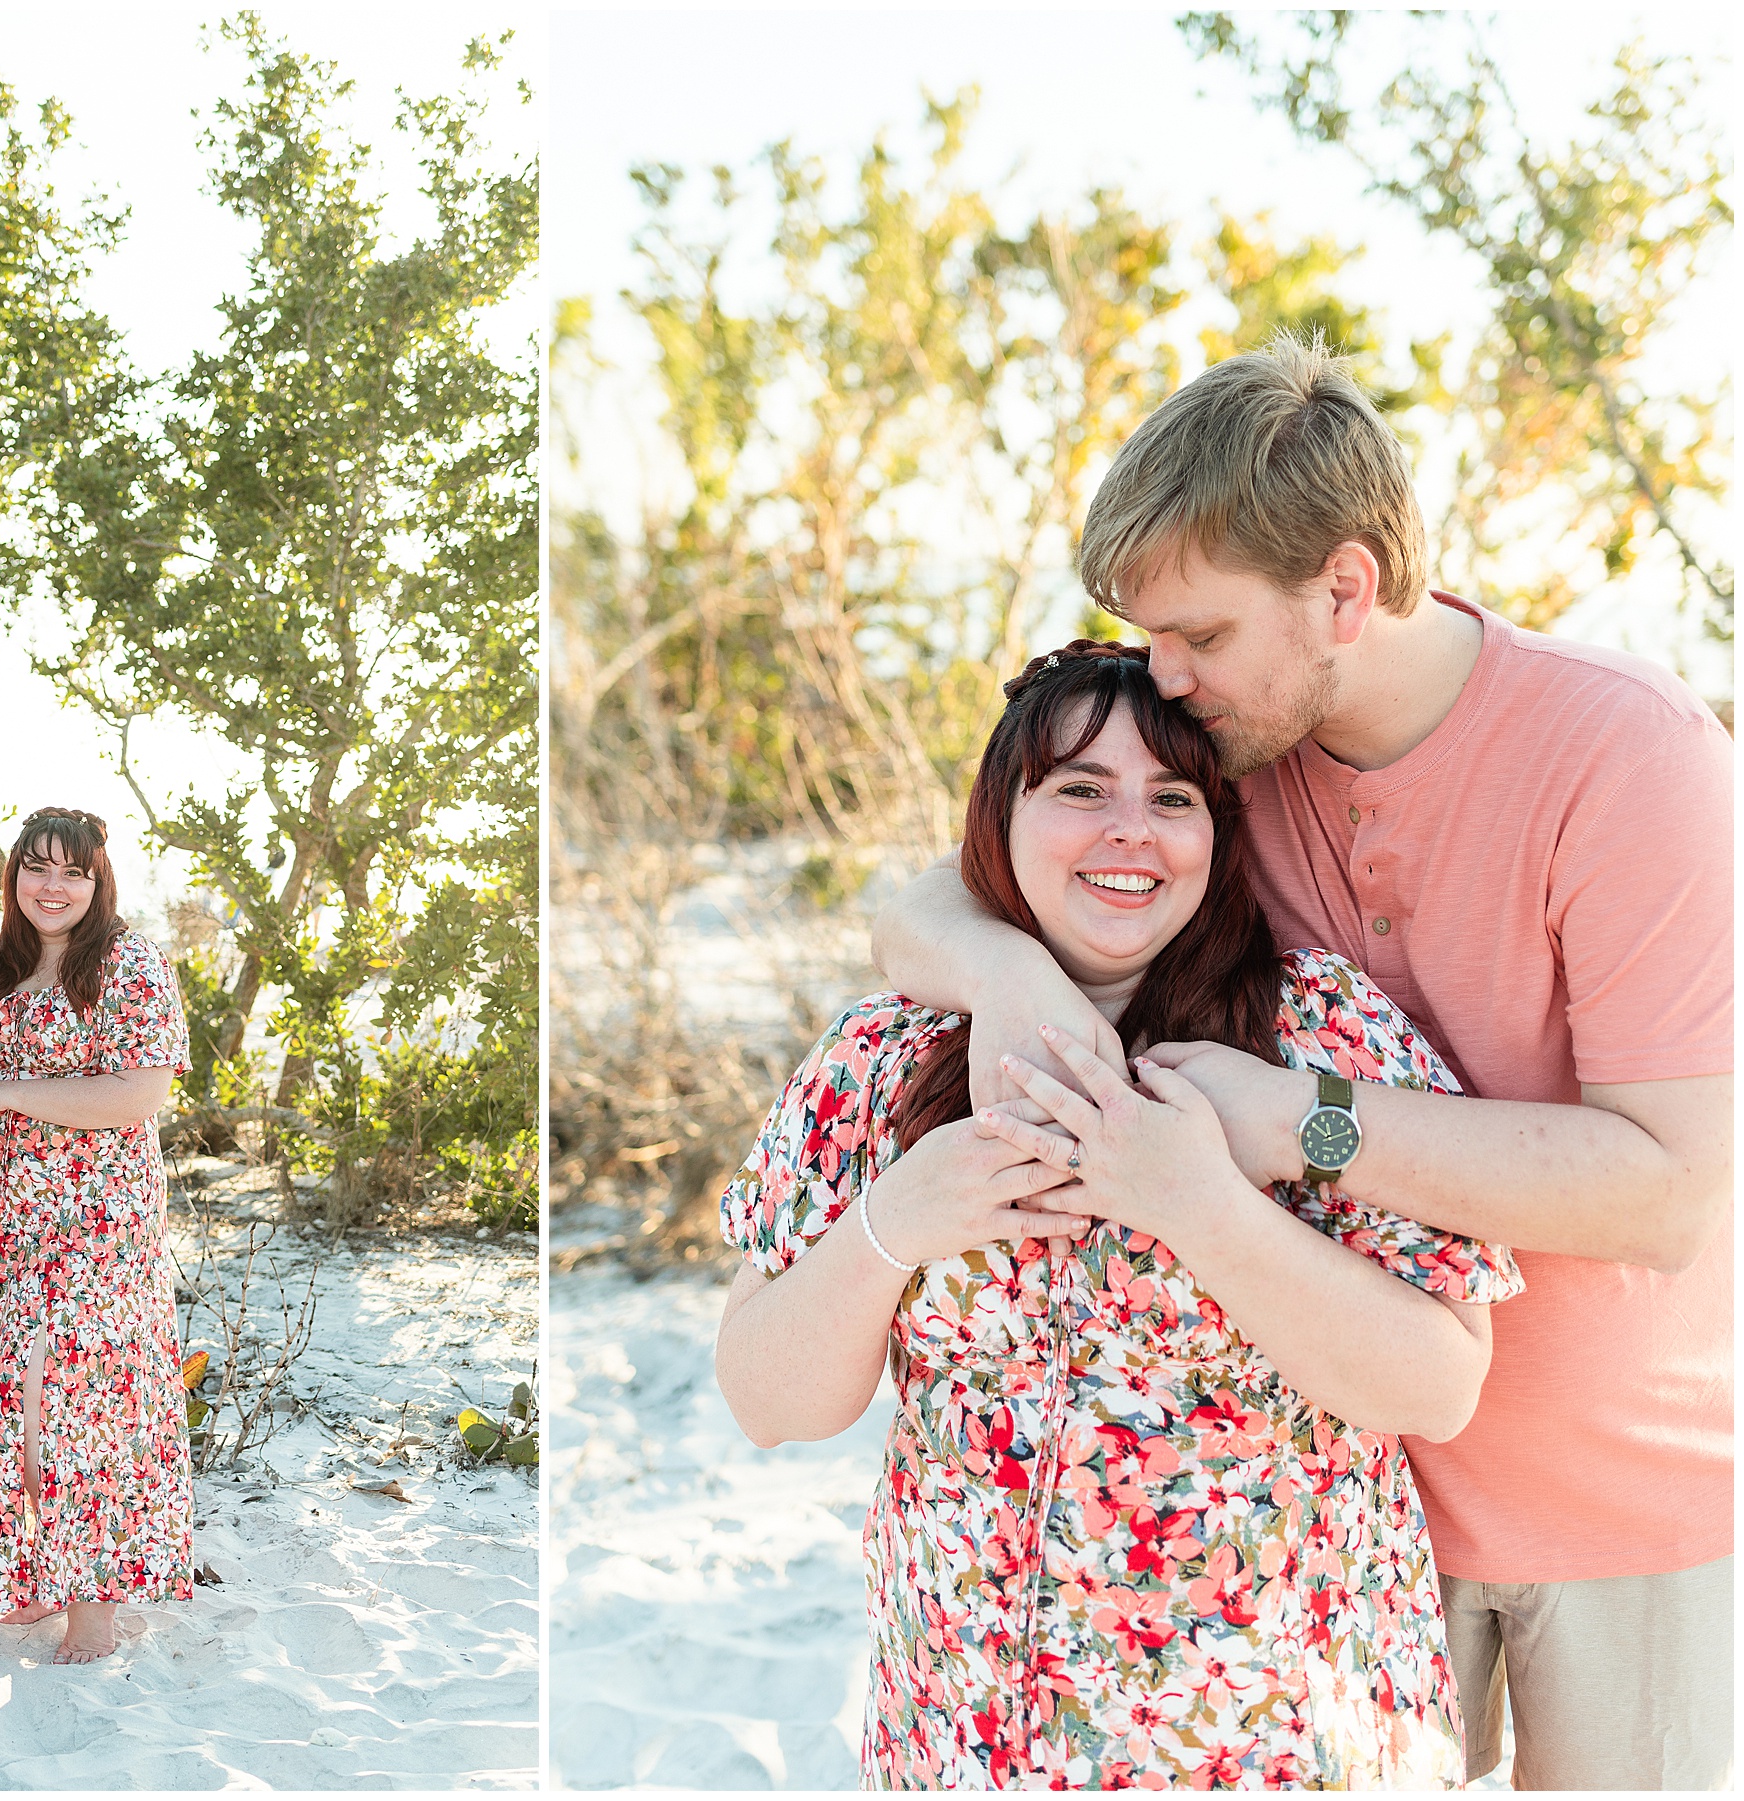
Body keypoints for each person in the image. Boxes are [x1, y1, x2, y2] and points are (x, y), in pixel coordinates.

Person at [871, 336, 1735, 1789]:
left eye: (1198, 634)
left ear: (1344, 590)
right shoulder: (1225, 759)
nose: (1165, 674)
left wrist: (1303, 1124)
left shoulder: (1628, 756)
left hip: (1628, 1497)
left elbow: (1670, 1196)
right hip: (1342, 1517)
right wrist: (1009, 978)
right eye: (1146, 634)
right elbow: (923, 895)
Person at [717, 641, 1522, 1788]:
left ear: (1217, 833)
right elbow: (765, 1398)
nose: (1129, 829)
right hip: (967, 1727)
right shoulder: (884, 1056)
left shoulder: (1319, 1042)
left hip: (1279, 1732)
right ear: (1004, 817)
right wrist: (898, 1220)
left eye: (1173, 797)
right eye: (1081, 789)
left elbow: (1440, 1387)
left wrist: (1200, 1205)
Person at [0, 807, 194, 1665]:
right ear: (12, 876)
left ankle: (95, 1606)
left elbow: (135, 1095)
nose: (53, 885)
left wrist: (6, 1095)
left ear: (97, 881)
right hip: (9, 1223)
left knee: (78, 1407)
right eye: (36, 868)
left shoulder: (127, 965)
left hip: (100, 1224)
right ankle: (41, 1568)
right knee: (18, 1407)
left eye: (72, 872)